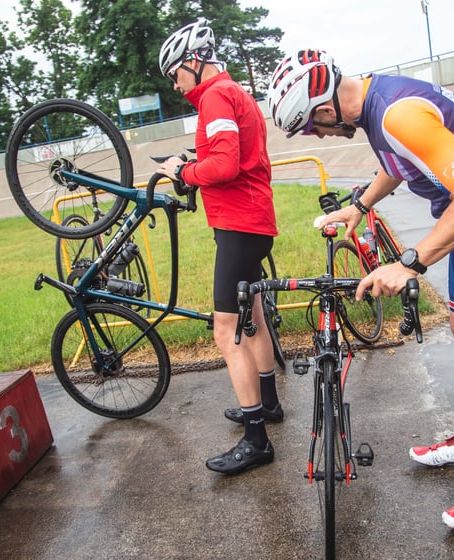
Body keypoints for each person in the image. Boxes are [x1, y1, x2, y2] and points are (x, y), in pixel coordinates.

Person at [267, 49, 454, 529]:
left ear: (327, 108)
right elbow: (399, 164)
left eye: (312, 128)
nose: (319, 136)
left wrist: (409, 262)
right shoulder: (375, 105)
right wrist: (359, 205)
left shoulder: (397, 115)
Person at [156, 20, 281, 475]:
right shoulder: (234, 92)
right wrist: (196, 163)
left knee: (225, 330)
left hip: (239, 222)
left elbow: (226, 165)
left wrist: (182, 173)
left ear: (194, 62)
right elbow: (234, 155)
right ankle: (266, 404)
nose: (175, 83)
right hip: (253, 220)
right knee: (255, 319)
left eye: (175, 73)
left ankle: (256, 439)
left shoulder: (213, 96)